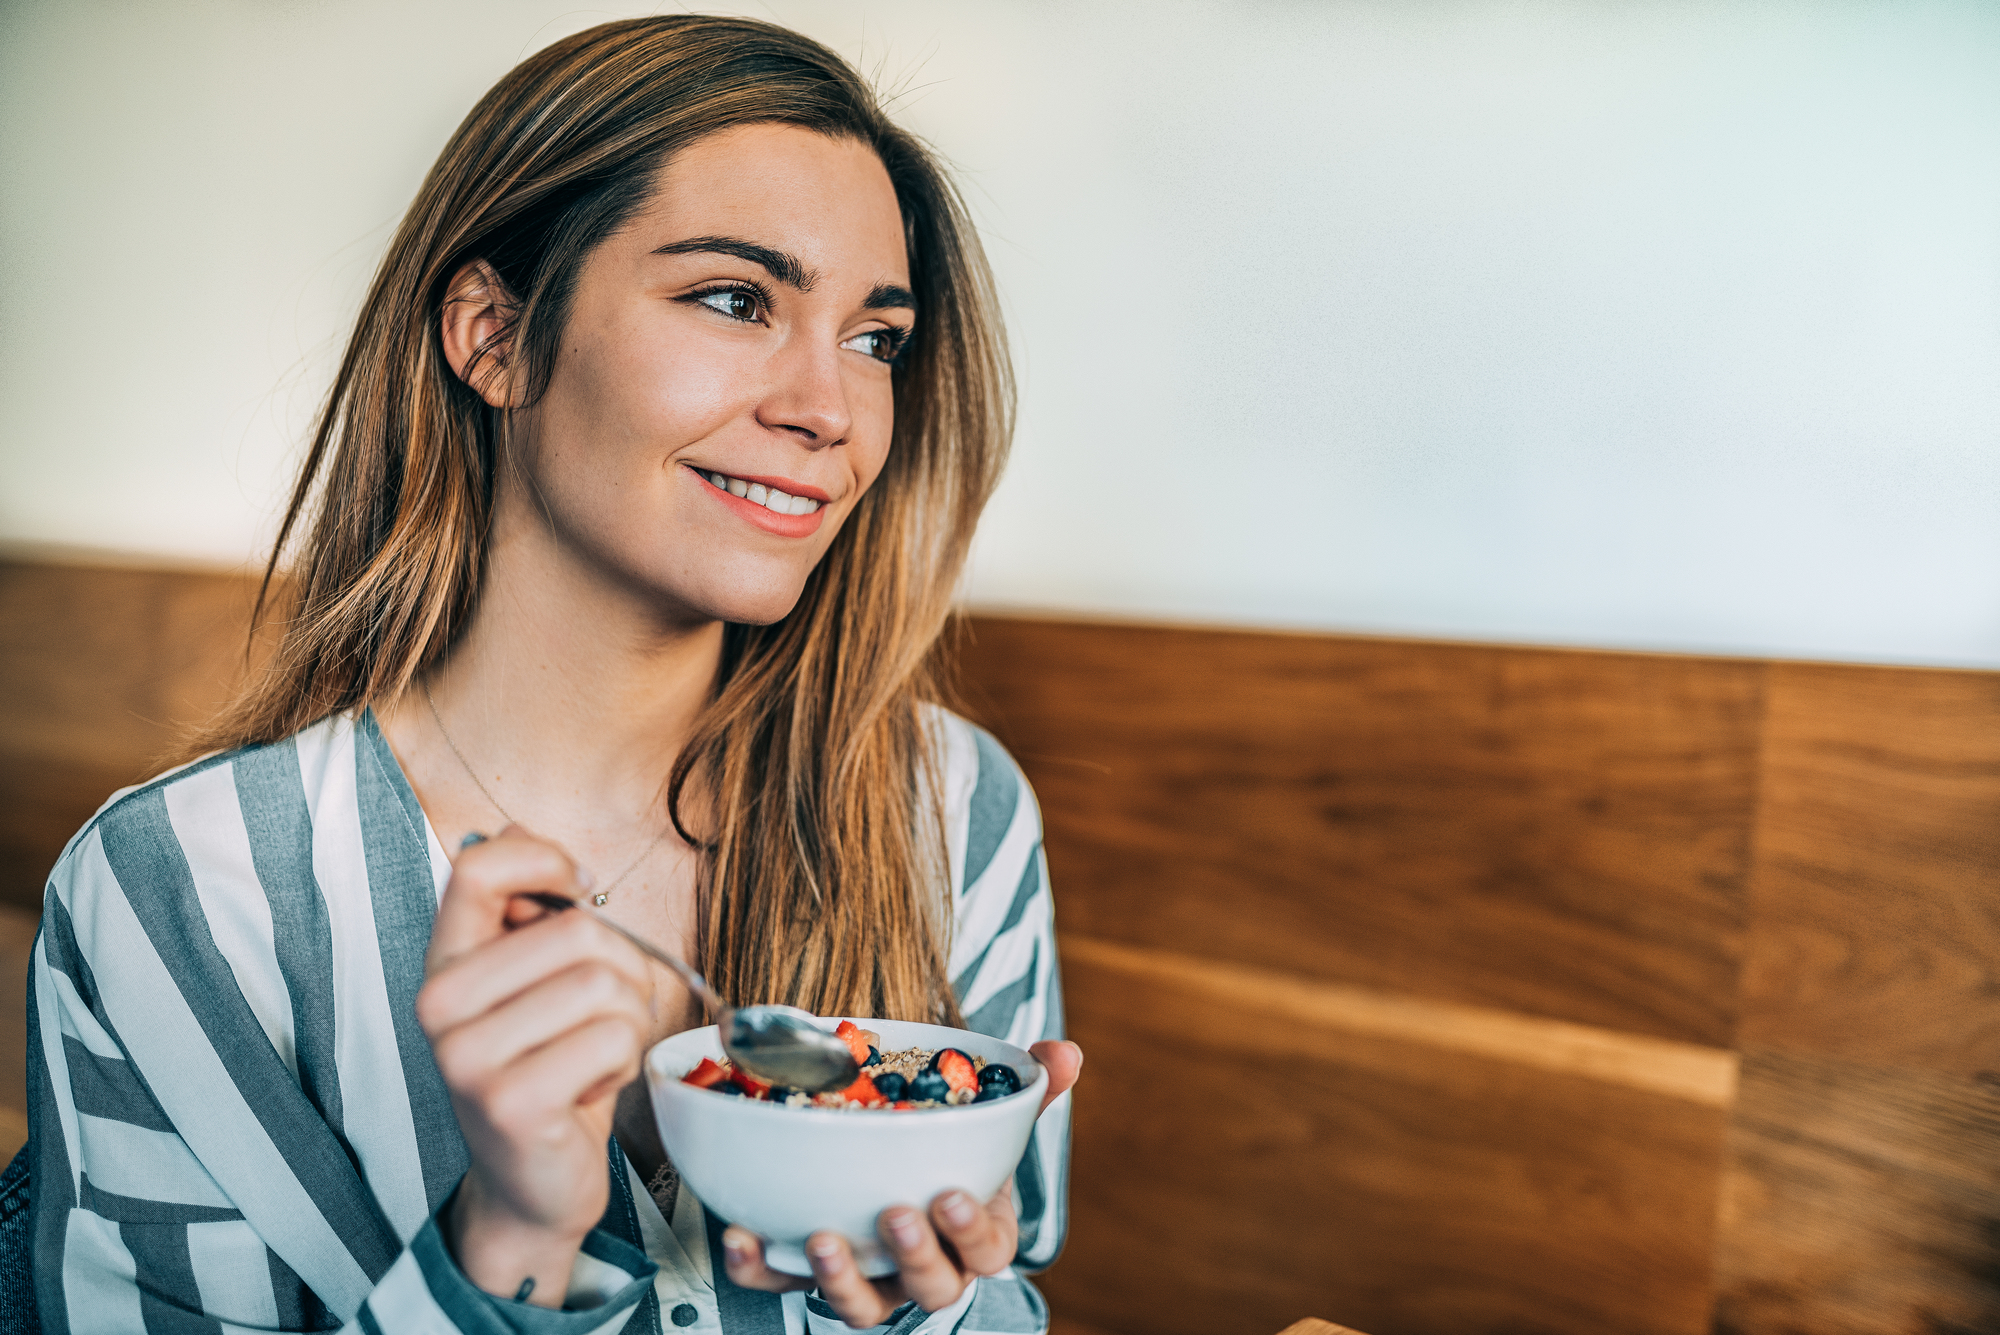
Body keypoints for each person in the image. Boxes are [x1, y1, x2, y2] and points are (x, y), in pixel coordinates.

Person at [24, 16, 1079, 1334]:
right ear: (494, 335)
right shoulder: (190, 890)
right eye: (736, 301)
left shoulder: (950, 809)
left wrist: (933, 1305)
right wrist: (511, 1242)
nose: (833, 409)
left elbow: (1007, 1284)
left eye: (877, 338)